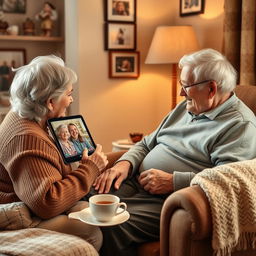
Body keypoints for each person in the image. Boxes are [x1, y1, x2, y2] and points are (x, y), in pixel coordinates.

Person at [90, 48, 256, 255]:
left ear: (211, 89)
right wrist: (124, 165)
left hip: (169, 200)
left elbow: (224, 182)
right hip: (135, 181)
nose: (181, 93)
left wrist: (172, 181)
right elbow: (146, 143)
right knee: (83, 197)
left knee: (110, 225)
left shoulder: (240, 126)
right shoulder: (186, 108)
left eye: (185, 86)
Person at [0, 55, 108, 252]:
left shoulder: (23, 115)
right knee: (91, 231)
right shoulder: (27, 137)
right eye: (69, 94)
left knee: (89, 210)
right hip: (19, 213)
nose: (71, 99)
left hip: (27, 201)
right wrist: (90, 168)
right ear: (50, 102)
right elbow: (47, 203)